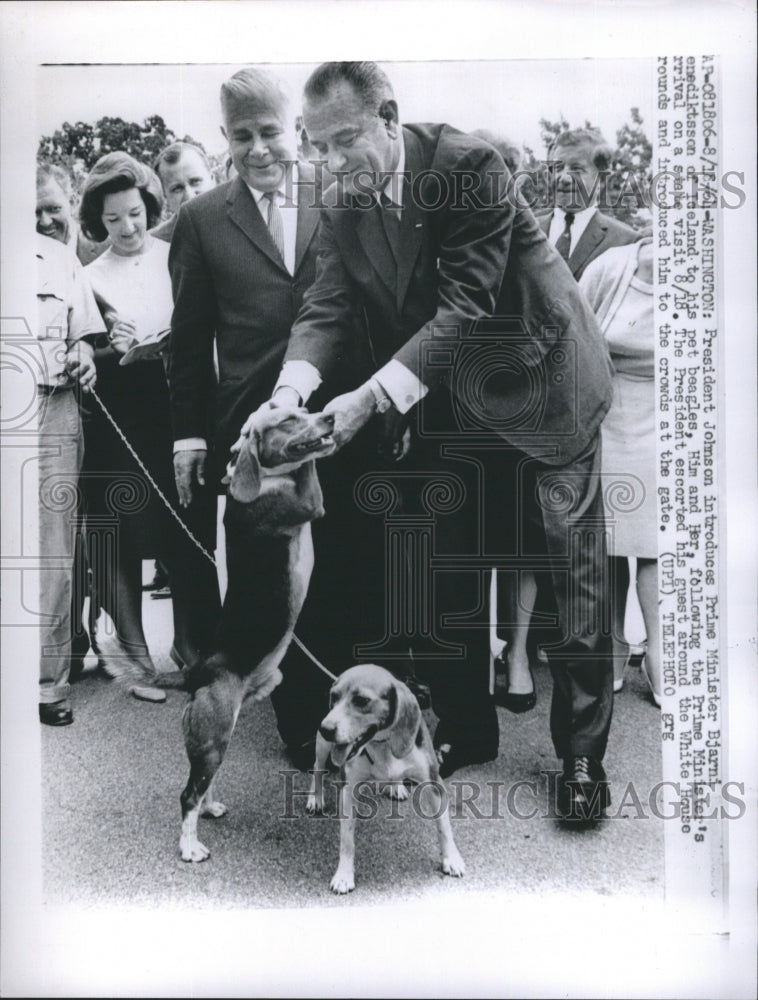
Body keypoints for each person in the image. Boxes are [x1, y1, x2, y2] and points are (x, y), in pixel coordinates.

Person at [271, 61, 616, 819]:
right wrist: (290, 392)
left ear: (389, 116)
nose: (330, 165)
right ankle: (454, 727)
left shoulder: (467, 166)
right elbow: (327, 306)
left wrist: (371, 397)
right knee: (444, 558)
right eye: (317, 149)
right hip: (456, 396)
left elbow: (464, 306)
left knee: (571, 571)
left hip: (542, 384)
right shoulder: (341, 197)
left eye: (344, 142)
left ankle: (583, 762)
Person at [168, 67, 373, 768]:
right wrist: (192, 436)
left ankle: (355, 713)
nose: (259, 148)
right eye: (242, 135)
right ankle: (297, 725)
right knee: (272, 588)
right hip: (252, 440)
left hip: (338, 416)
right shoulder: (201, 219)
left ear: (294, 131)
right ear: (225, 139)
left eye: (270, 132)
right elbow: (189, 341)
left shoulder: (339, 195)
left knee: (346, 565)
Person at [79, 151, 221, 697]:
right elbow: (81, 346)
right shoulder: (87, 276)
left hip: (176, 406)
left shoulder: (177, 254)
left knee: (188, 522)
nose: (127, 227)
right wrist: (108, 349)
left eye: (135, 213)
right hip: (116, 415)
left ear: (149, 206)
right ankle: (136, 659)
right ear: (97, 221)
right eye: (112, 219)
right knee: (119, 530)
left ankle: (190, 643)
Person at [580, 236, 660, 705]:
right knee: (609, 540)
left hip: (668, 416)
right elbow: (572, 330)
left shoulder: (715, 269)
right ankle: (611, 647)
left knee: (655, 544)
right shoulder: (611, 266)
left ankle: (661, 653)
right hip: (607, 414)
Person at [36, 233, 103, 725]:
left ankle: (46, 685)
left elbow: (82, 338)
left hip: (51, 405)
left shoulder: (60, 258)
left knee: (50, 551)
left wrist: (83, 355)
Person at [539, 128, 638, 280]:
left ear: (603, 180)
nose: (564, 178)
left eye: (577, 169)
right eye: (557, 168)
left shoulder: (625, 242)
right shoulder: (523, 229)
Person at [36, 163, 106, 265]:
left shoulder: (108, 248)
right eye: (35, 213)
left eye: (53, 209)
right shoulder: (21, 259)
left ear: (72, 202)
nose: (45, 222)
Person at [151, 141, 216, 243]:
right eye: (177, 188)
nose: (189, 196)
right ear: (165, 197)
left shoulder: (244, 220)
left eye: (195, 181)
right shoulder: (155, 243)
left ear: (212, 180)